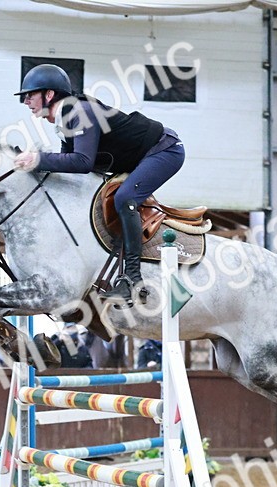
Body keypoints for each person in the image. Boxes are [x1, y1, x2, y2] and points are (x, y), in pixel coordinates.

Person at [12, 64, 185, 306]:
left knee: (125, 198)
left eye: (30, 95)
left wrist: (38, 159)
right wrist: (36, 165)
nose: (26, 102)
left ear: (49, 95)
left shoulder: (78, 112)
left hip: (165, 150)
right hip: (143, 156)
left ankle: (133, 280)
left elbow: (82, 162)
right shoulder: (64, 120)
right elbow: (72, 171)